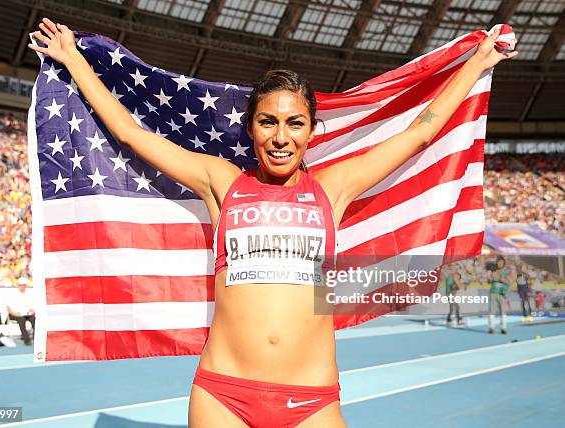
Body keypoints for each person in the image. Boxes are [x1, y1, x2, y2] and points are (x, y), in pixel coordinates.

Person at [29, 18, 516, 427]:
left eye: (294, 123)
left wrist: (477, 63)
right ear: (251, 127)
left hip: (313, 401)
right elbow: (131, 133)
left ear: (310, 130)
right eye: (268, 122)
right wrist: (74, 60)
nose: (280, 137)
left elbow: (420, 133)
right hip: (222, 395)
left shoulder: (334, 186)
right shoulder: (220, 181)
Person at [6, 281, 35, 345]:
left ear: (25, 286)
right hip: (14, 314)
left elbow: (32, 306)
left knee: (34, 319)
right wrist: (15, 313)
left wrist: (32, 310)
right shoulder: (12, 294)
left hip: (26, 314)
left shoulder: (29, 294)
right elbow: (8, 308)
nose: (21, 286)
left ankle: (36, 338)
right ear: (18, 286)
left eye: (22, 285)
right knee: (21, 319)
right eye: (20, 285)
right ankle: (26, 340)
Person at [488, 256, 512, 335]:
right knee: (491, 310)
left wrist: (500, 279)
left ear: (503, 263)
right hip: (493, 292)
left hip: (502, 293)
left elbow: (509, 282)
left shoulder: (507, 271)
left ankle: (503, 328)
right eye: (498, 262)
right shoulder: (493, 270)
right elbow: (489, 280)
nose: (499, 263)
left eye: (501, 262)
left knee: (503, 311)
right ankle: (491, 328)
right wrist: (491, 278)